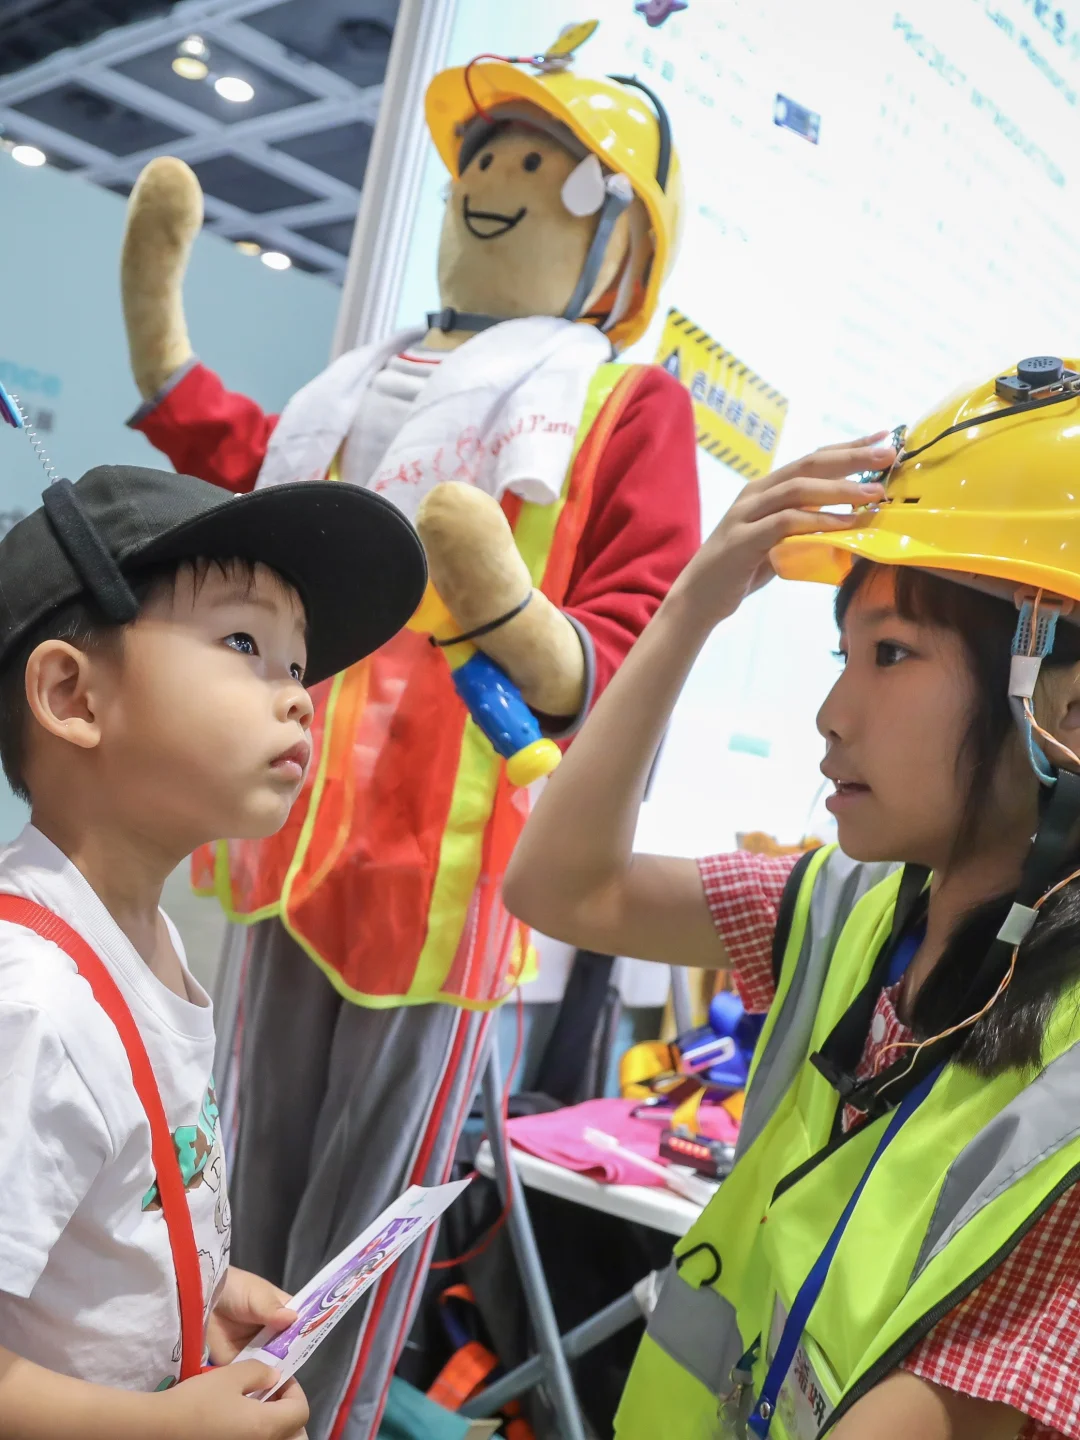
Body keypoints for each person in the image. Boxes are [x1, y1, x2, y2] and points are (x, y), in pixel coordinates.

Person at [117, 34, 700, 1437]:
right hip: (293, 839)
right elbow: (260, 482)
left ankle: (307, 1428)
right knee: (227, 1169)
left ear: (613, 228)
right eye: (482, 161)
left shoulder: (623, 398)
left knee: (366, 1223)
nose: (492, 187)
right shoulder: (370, 379)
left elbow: (632, 627)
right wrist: (161, 329)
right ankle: (192, 1404)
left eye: (533, 167)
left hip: (454, 884)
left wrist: (515, 613)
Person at [504, 356, 1080, 1440]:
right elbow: (559, 884)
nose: (830, 712)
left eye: (890, 655)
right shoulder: (848, 909)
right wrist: (690, 607)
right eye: (842, 653)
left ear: (1067, 710)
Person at [0, 462, 424, 1438]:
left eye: (296, 664)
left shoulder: (139, 945)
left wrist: (194, 1285)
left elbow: (91, 1206)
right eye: (245, 644)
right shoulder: (35, 1006)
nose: (301, 699)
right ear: (73, 693)